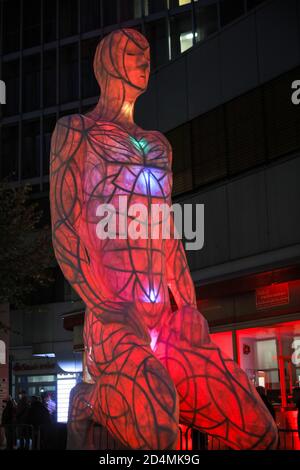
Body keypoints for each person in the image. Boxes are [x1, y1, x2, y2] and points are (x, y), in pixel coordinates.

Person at [50, 28, 278, 450]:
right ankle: (91, 399)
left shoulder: (159, 146)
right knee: (157, 434)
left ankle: (118, 392)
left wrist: (189, 307)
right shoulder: (76, 131)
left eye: (147, 54)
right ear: (106, 64)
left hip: (169, 323)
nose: (143, 60)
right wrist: (105, 305)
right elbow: (66, 227)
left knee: (259, 432)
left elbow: (168, 232)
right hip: (114, 320)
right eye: (131, 52)